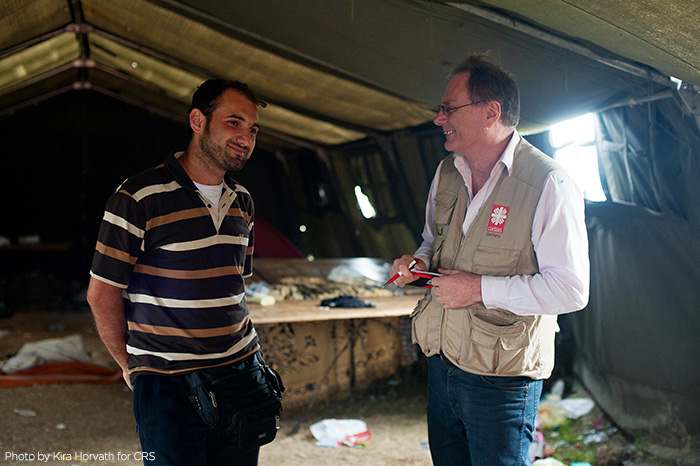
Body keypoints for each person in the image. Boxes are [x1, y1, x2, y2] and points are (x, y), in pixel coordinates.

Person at [389, 54, 589, 466]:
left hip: (503, 378)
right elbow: (433, 240)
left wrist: (477, 289)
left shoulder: (548, 182)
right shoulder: (447, 171)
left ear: (490, 112)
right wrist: (417, 263)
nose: (438, 118)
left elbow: (570, 290)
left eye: (448, 108)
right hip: (443, 362)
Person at [87, 79, 283, 466]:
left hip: (241, 371)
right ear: (198, 120)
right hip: (167, 383)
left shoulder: (242, 201)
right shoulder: (138, 197)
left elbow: (234, 286)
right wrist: (131, 368)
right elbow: (101, 293)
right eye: (234, 122)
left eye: (253, 129)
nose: (246, 137)